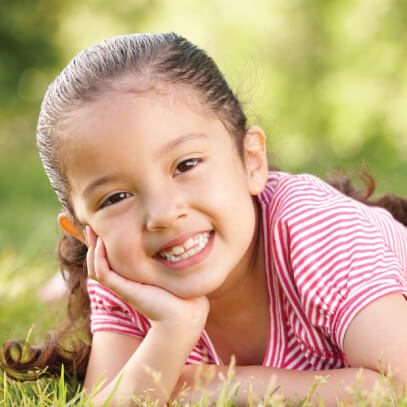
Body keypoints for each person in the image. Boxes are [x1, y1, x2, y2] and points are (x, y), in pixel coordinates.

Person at [2, 33, 407, 406]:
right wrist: (173, 328)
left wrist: (221, 385)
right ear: (87, 234)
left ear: (251, 160)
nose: (163, 214)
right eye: (116, 197)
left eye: (186, 164)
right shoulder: (120, 271)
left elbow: (396, 388)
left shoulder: (318, 232)